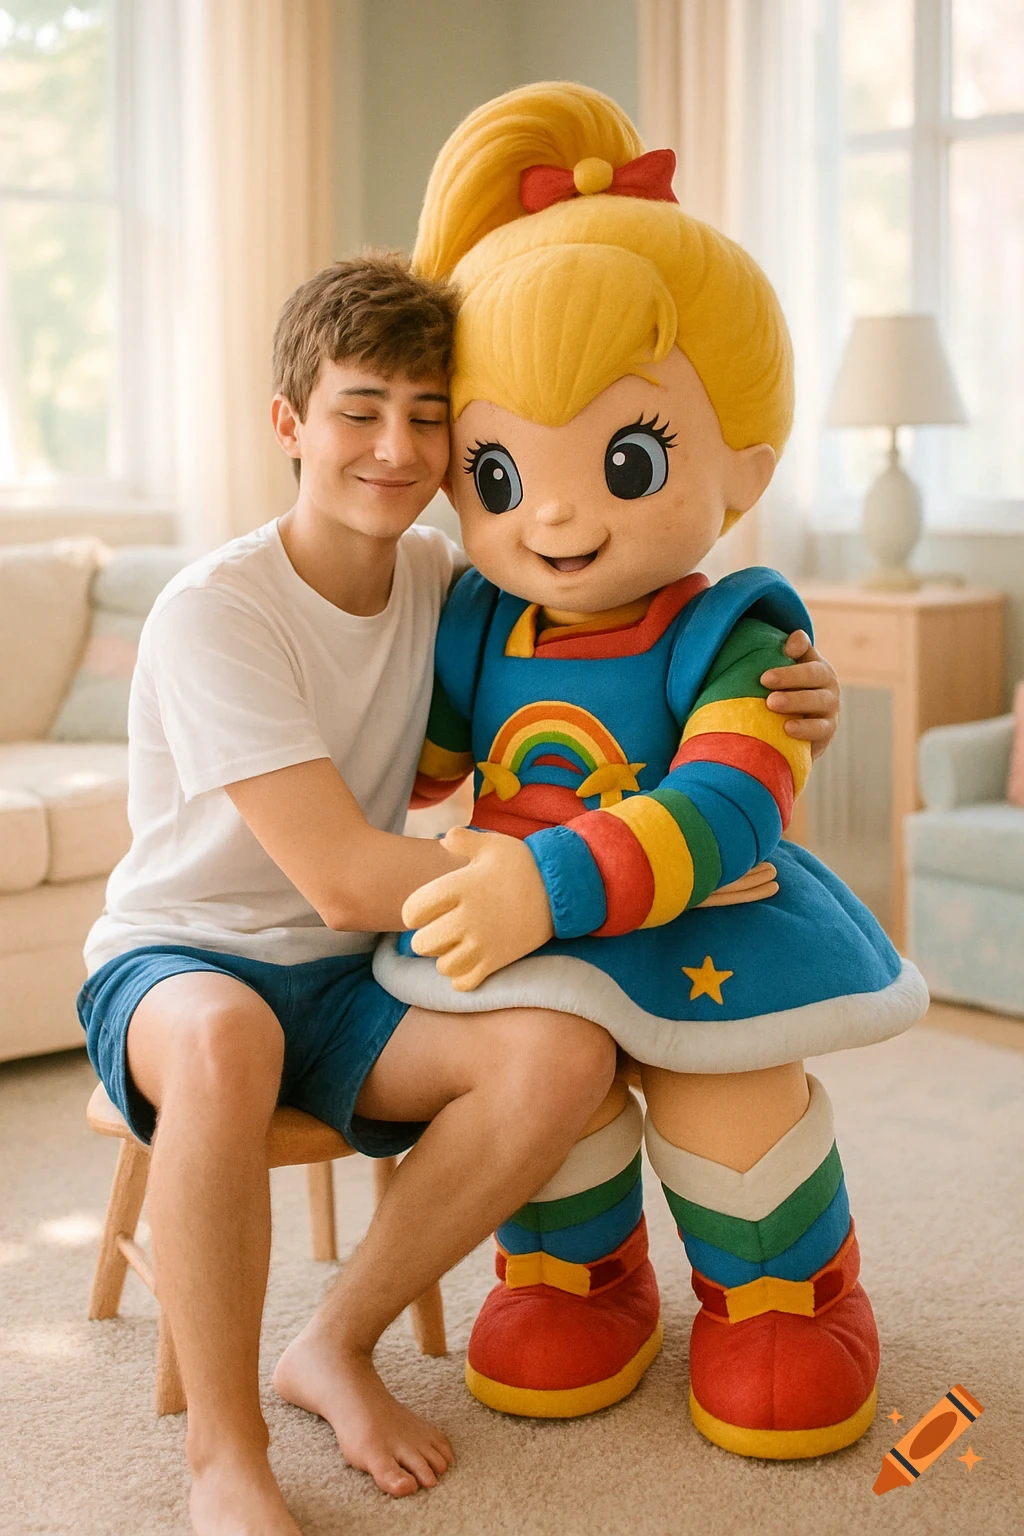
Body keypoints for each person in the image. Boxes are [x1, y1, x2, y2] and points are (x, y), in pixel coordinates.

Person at [78, 252, 840, 1535]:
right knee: (226, 1035)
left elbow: (620, 618)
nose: (395, 446)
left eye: (427, 417)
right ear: (290, 426)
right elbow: (339, 873)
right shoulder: (217, 609)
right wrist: (587, 885)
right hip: (183, 961)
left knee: (558, 1053)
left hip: (347, 977)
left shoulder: (449, 584)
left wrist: (782, 684)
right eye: (359, 410)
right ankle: (224, 1455)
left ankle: (331, 1340)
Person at [377, 83, 929, 1458]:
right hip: (528, 938)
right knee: (535, 1105)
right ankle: (575, 1278)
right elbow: (419, 758)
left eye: (625, 459)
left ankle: (788, 1301)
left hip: (696, 921)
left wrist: (542, 884)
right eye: (501, 474)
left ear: (740, 462)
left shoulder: (733, 626)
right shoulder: (474, 620)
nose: (553, 509)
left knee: (724, 1099)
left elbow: (733, 800)